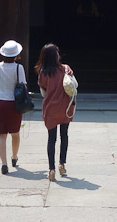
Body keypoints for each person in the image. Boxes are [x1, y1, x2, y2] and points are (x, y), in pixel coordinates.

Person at [34, 43, 75, 181]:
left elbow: (43, 91)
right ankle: (62, 164)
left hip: (50, 108)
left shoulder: (42, 72)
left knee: (51, 139)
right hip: (65, 107)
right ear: (55, 56)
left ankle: (51, 170)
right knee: (64, 135)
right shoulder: (65, 69)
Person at [0, 39, 26, 175]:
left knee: (1, 135)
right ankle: (14, 157)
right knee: (15, 133)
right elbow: (23, 85)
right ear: (16, 55)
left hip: (0, 102)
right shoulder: (18, 68)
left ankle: (4, 164)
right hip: (14, 103)